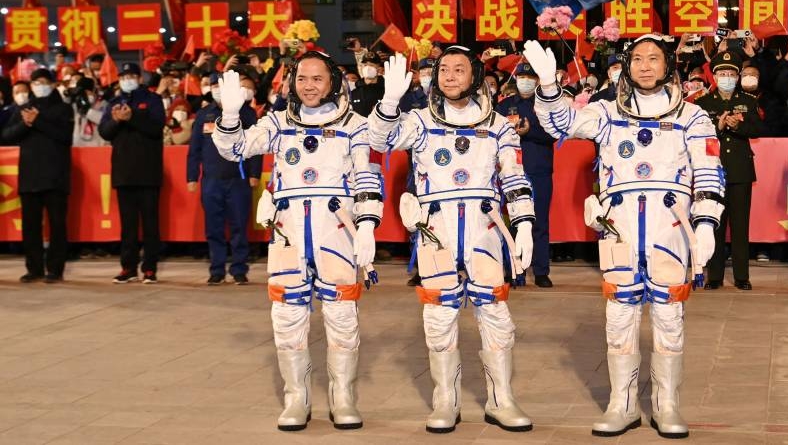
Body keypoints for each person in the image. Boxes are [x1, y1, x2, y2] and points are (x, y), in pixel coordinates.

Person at [524, 35, 724, 438]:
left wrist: (706, 223)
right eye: (637, 59)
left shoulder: (694, 116)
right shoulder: (606, 111)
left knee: (669, 318)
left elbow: (708, 171)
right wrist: (548, 86)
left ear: (669, 65)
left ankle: (667, 405)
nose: (645, 66)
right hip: (621, 230)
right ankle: (623, 403)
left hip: (670, 229)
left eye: (653, 59)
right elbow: (561, 122)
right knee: (619, 318)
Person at [368, 47, 535, 434]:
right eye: (444, 69)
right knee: (439, 315)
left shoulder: (498, 125)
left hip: (485, 227)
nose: (450, 76)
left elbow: (513, 175)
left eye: (459, 70)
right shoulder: (420, 121)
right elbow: (380, 138)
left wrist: (524, 222)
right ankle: (446, 400)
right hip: (437, 230)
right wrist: (389, 101)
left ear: (475, 76)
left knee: (495, 313)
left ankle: (502, 399)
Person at [213, 51, 382, 432]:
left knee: (341, 315)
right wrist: (228, 116)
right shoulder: (277, 122)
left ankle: (343, 397)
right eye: (302, 79)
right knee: (287, 316)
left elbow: (368, 175)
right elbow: (235, 148)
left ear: (334, 82)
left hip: (336, 229)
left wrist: (369, 222)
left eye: (317, 79)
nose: (309, 86)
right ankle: (296, 397)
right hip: (289, 231)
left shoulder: (354, 124)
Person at [187, 70, 262, 284]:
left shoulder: (246, 114)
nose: (218, 91)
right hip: (211, 180)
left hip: (238, 178)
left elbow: (255, 145)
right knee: (214, 226)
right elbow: (195, 149)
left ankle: (239, 269)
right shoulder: (203, 115)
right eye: (214, 87)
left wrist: (254, 173)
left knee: (239, 225)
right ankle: (217, 269)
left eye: (221, 86)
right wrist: (192, 176)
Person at [696, 51, 761, 290]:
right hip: (712, 172)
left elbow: (758, 129)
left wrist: (738, 126)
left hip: (740, 170)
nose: (726, 77)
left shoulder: (749, 101)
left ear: (738, 76)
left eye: (731, 73)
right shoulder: (702, 103)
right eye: (722, 73)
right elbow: (697, 134)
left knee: (740, 225)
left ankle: (742, 276)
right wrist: (719, 126)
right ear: (714, 76)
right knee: (714, 224)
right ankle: (714, 275)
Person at [2, 69, 73, 283]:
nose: (38, 85)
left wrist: (38, 121)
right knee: (30, 225)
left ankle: (55, 269)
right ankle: (34, 268)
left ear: (52, 84)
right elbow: (5, 136)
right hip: (30, 175)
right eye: (35, 82)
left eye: (43, 82)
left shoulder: (63, 109)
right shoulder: (23, 109)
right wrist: (26, 123)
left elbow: (65, 137)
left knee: (57, 224)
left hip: (55, 175)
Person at [99, 62, 166, 284]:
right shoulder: (114, 103)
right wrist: (117, 120)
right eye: (123, 76)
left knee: (150, 224)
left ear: (139, 78)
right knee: (127, 225)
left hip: (148, 172)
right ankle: (127, 267)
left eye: (130, 76)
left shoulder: (152, 100)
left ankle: (150, 268)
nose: (126, 79)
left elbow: (156, 128)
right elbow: (104, 132)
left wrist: (133, 117)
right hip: (123, 173)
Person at [497, 62, 556, 287]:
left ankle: (541, 271)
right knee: (512, 221)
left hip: (539, 169)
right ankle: (514, 270)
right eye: (521, 76)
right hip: (511, 172)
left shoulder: (545, 106)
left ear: (538, 80)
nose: (525, 80)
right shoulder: (504, 106)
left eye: (529, 76)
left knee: (539, 221)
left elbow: (554, 133)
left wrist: (531, 131)